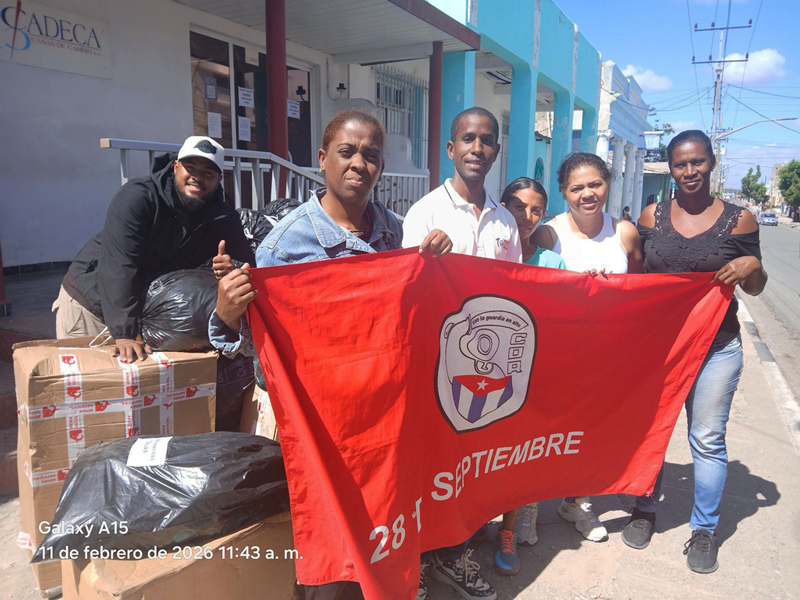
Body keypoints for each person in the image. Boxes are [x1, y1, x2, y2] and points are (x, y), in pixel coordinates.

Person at [211, 108, 451, 600]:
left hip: (381, 417)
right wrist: (228, 315)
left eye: (371, 155)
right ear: (322, 160)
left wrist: (437, 268)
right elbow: (263, 351)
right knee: (327, 554)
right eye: (346, 152)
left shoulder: (397, 236)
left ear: (381, 169)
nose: (358, 163)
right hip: (318, 423)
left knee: (381, 528)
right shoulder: (286, 245)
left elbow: (413, 321)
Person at [622, 130, 767, 574]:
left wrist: (752, 266)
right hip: (661, 348)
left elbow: (756, 288)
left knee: (706, 440)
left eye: (698, 162)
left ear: (712, 163)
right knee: (653, 432)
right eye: (681, 164)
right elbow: (637, 277)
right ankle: (644, 510)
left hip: (716, 347)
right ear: (670, 167)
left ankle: (704, 530)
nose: (690, 171)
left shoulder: (740, 220)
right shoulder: (653, 214)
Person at [403, 106, 517, 600]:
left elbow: (516, 293)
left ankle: (456, 554)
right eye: (467, 139)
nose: (477, 147)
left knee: (471, 471)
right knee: (432, 469)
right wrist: (427, 261)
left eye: (486, 140)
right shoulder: (425, 211)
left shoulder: (507, 222)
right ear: (450, 150)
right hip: (437, 367)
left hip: (485, 374)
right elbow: (405, 290)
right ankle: (421, 563)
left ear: (495, 151)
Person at [54, 135, 253, 363]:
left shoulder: (223, 217)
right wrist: (124, 333)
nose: (197, 177)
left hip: (145, 313)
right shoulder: (139, 197)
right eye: (190, 167)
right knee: (87, 388)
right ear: (175, 167)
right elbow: (119, 265)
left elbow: (247, 267)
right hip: (93, 302)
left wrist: (231, 269)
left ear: (219, 179)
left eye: (208, 173)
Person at [532, 151, 643, 543]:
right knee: (545, 431)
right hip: (560, 353)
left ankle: (578, 502)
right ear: (564, 192)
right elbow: (525, 286)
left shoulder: (625, 232)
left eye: (594, 184)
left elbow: (642, 288)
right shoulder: (548, 233)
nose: (587, 193)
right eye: (577, 187)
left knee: (591, 432)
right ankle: (527, 506)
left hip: (608, 353)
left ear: (607, 184)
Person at [486, 177, 566, 575]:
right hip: (480, 375)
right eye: (520, 207)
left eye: (537, 210)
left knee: (516, 461)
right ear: (502, 208)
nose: (528, 217)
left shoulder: (551, 262)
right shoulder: (489, 253)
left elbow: (568, 314)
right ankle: (465, 524)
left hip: (529, 377)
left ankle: (508, 531)